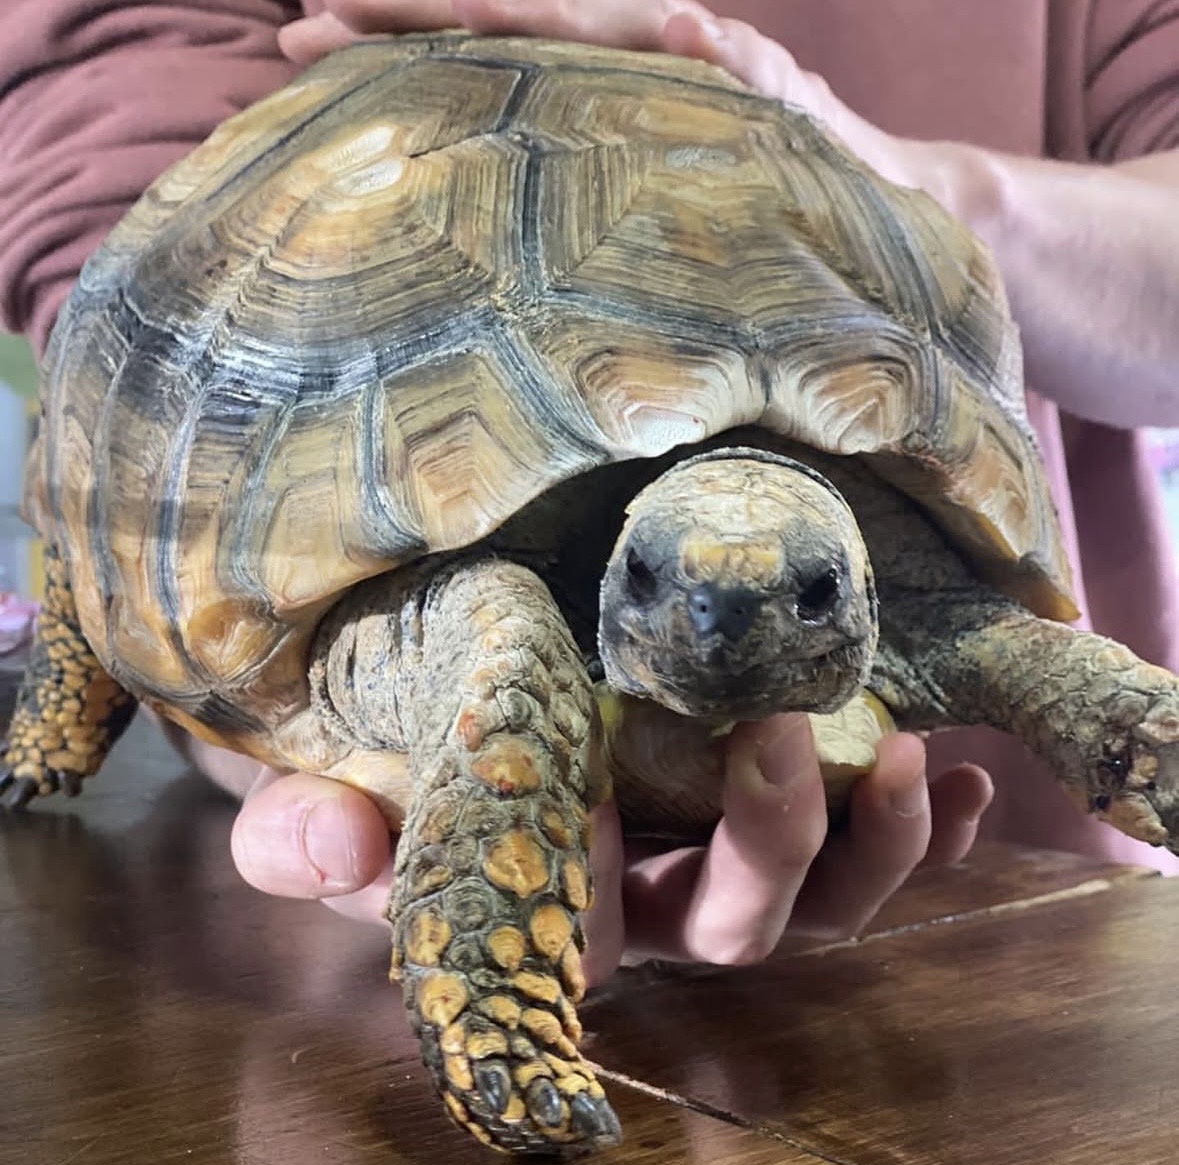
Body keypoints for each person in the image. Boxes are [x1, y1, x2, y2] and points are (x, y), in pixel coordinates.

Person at [0, 0, 1174, 983]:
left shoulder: (925, 594)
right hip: (279, 953)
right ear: (622, 565)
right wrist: (228, 665)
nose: (718, 629)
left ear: (863, 583)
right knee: (501, 653)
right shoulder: (496, 628)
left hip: (1004, 941)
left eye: (810, 595)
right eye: (661, 584)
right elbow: (99, 137)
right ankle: (77, 665)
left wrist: (907, 180)